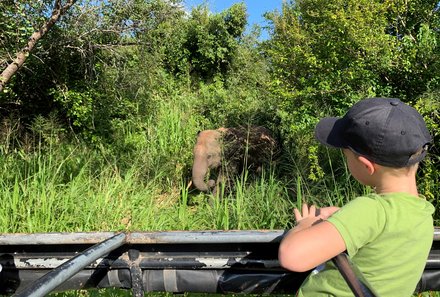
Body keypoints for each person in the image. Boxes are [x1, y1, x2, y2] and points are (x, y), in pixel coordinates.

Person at [278, 97, 434, 296]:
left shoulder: (371, 210)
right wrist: (342, 217)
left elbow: (292, 257)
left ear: (366, 165)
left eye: (346, 155)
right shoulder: (423, 214)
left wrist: (306, 224)